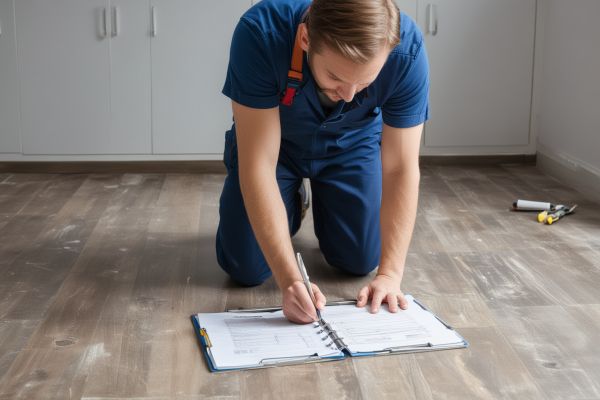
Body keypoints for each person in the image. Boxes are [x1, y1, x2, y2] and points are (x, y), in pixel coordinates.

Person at [215, 0, 429, 324]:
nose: (348, 95)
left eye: (365, 82)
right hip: (277, 150)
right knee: (244, 267)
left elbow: (400, 167)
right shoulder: (259, 34)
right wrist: (290, 280)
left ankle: (309, 203)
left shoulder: (406, 53)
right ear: (305, 39)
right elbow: (258, 164)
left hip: (352, 146)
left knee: (359, 261)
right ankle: (292, 199)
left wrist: (390, 274)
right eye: (336, 76)